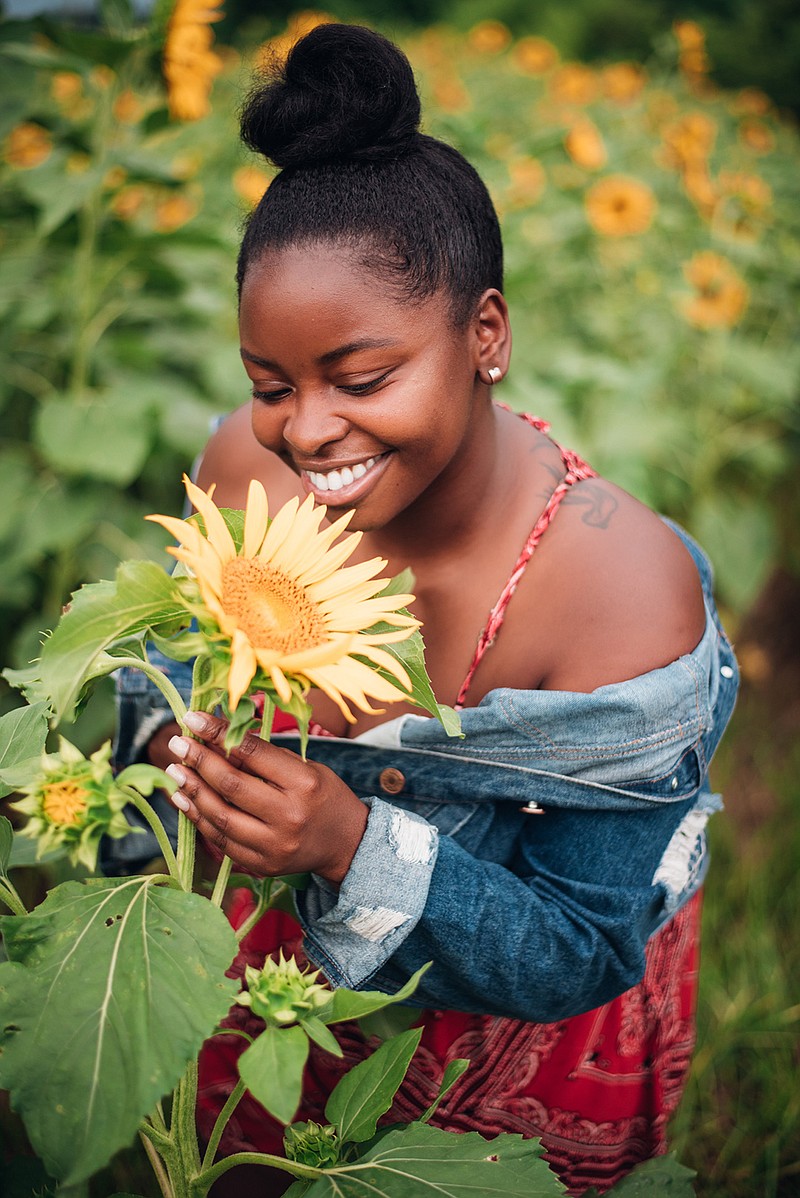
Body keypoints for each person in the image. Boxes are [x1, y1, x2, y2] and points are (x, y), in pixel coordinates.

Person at [111, 23, 739, 1196]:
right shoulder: (245, 479)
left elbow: (580, 943)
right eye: (269, 386)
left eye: (360, 379)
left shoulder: (617, 590)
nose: (304, 432)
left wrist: (346, 842)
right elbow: (169, 671)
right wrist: (174, 755)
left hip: (504, 1048)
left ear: (484, 335)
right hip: (274, 982)